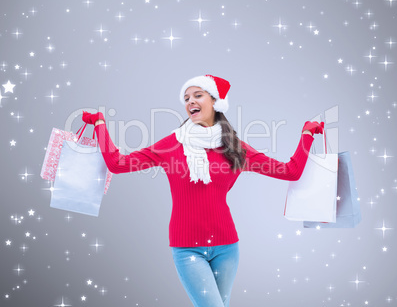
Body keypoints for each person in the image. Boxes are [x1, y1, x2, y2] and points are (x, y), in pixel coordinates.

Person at [82, 74, 324, 307]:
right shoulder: (171, 144)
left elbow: (289, 171)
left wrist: (306, 135)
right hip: (187, 248)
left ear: (215, 102)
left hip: (227, 247)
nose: (190, 102)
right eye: (186, 98)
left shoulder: (235, 148)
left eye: (198, 95)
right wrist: (101, 125)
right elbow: (118, 164)